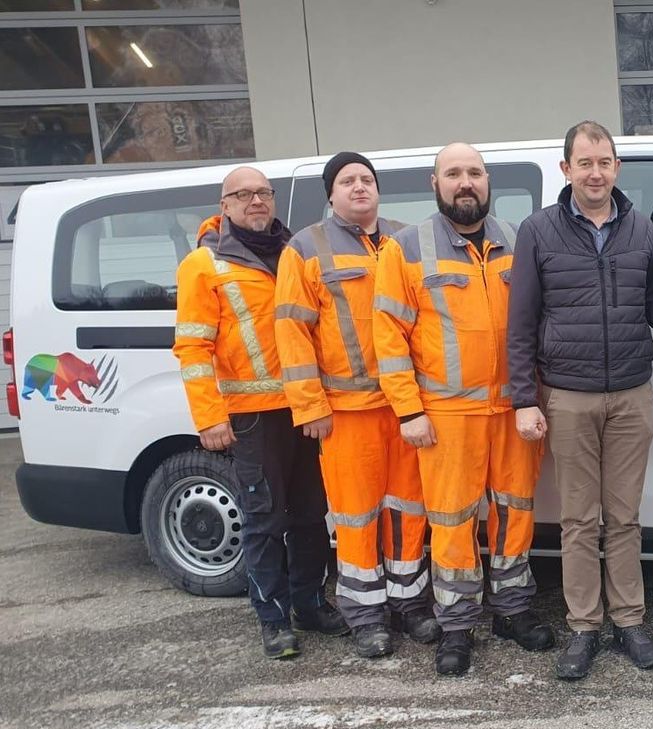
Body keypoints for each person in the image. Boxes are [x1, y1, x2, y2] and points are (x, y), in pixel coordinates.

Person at [507, 121, 653, 680]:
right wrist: (525, 397)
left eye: (605, 162)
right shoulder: (538, 231)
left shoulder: (639, 228)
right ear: (566, 169)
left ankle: (630, 622)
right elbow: (519, 324)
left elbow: (651, 306)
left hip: (631, 394)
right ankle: (584, 628)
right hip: (567, 396)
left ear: (617, 169)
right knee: (577, 520)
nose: (596, 172)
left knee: (624, 518)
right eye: (585, 162)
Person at [373, 143, 555, 676]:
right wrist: (408, 411)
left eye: (474, 172)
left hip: (514, 410)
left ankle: (513, 609)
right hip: (446, 416)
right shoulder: (405, 249)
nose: (465, 182)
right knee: (451, 522)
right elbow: (389, 338)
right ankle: (456, 625)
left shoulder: (519, 241)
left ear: (487, 180)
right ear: (435, 184)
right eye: (453, 173)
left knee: (515, 512)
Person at [173, 165, 348, 659]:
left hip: (306, 408)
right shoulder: (204, 265)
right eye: (243, 194)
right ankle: (273, 618)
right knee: (264, 518)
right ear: (224, 204)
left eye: (263, 193)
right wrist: (209, 417)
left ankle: (310, 604)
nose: (256, 201)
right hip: (252, 415)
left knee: (313, 514)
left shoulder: (295, 251)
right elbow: (191, 349)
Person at [275, 152, 439, 659]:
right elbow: (292, 332)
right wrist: (310, 407)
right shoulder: (305, 247)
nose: (359, 188)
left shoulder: (405, 238)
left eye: (366, 180)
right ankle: (365, 614)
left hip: (405, 406)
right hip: (346, 412)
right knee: (355, 515)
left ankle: (409, 604)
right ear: (331, 194)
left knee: (410, 510)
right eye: (347, 181)